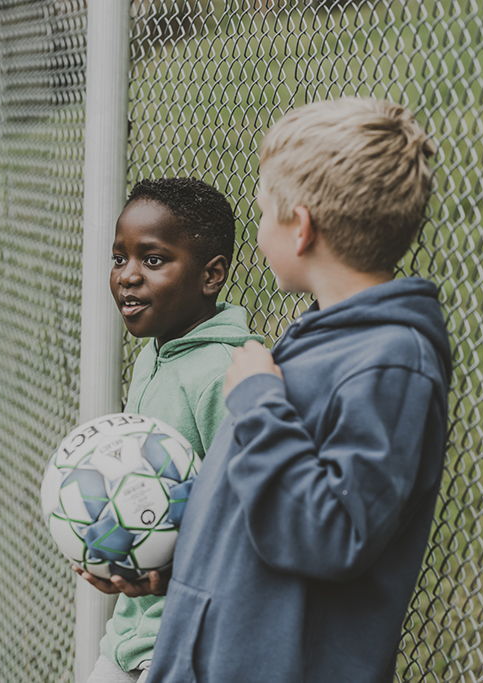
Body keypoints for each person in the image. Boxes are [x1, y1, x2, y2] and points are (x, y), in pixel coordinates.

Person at [143, 97, 452, 682]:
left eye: (263, 213)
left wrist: (259, 402)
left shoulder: (391, 365)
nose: (256, 234)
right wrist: (179, 565)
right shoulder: (326, 340)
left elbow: (333, 533)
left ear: (301, 226)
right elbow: (266, 512)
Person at [74, 177, 263, 683]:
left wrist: (173, 569)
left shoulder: (226, 373)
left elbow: (246, 513)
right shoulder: (152, 356)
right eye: (120, 258)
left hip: (187, 644)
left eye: (152, 260)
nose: (127, 277)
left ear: (211, 275)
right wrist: (107, 544)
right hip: (127, 639)